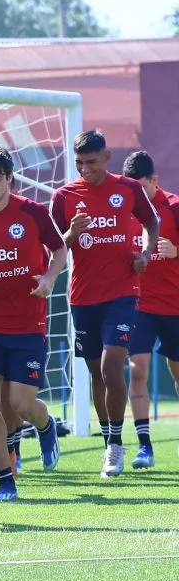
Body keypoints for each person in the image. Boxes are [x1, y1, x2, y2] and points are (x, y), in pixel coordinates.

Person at [50, 130, 158, 478]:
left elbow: (151, 222)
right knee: (96, 372)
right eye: (79, 163)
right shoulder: (64, 197)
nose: (85, 169)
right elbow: (53, 247)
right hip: (83, 297)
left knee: (114, 366)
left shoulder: (128, 189)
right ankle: (108, 441)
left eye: (91, 163)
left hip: (123, 294)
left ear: (107, 157)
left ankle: (116, 445)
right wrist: (70, 234)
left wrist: (145, 253)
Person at [0, 146, 66, 500]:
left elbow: (59, 249)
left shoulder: (33, 212)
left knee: (21, 404)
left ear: (9, 178)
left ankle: (46, 424)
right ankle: (5, 478)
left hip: (27, 325)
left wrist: (50, 278)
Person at [122, 150, 179, 469]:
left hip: (174, 305)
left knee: (176, 372)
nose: (133, 196)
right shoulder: (125, 210)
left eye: (139, 188)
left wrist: (175, 250)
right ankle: (144, 447)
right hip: (139, 306)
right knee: (138, 368)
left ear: (154, 181)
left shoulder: (173, 206)